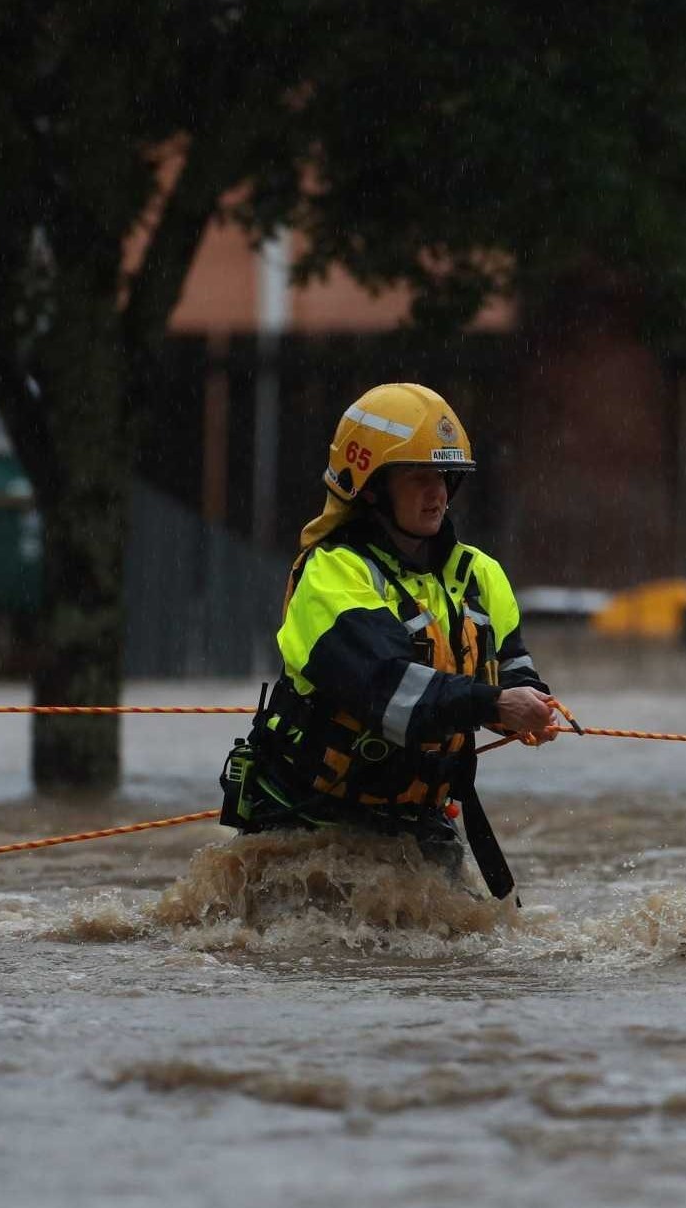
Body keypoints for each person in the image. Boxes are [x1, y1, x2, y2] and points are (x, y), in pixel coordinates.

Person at [219, 383, 562, 898]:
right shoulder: (331, 575)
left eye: (445, 477)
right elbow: (393, 692)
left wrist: (529, 701)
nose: (438, 493)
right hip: (307, 826)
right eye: (419, 477)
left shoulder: (480, 574)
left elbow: (510, 667)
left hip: (420, 824)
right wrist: (494, 703)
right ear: (371, 487)